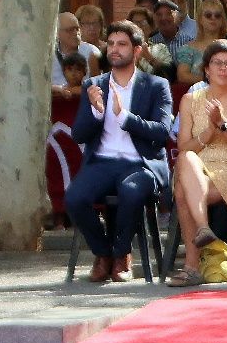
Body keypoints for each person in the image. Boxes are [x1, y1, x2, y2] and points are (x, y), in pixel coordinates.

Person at [66, 22, 175, 283]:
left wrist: (124, 116)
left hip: (141, 163)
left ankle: (123, 253)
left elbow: (161, 132)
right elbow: (78, 135)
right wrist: (97, 111)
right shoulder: (94, 84)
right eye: (111, 43)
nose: (114, 49)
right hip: (102, 161)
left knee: (132, 190)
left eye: (122, 44)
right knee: (74, 198)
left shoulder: (156, 85)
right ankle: (103, 253)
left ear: (137, 50)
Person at [167, 41, 227, 286]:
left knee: (182, 191)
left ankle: (192, 265)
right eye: (217, 63)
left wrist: (222, 125)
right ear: (206, 69)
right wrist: (208, 133)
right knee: (187, 159)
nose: (224, 68)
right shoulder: (190, 100)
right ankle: (203, 228)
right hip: (197, 168)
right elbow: (184, 147)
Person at [50, 12, 101, 85]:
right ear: (57, 33)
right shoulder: (49, 56)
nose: (75, 33)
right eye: (69, 30)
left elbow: (99, 86)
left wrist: (66, 91)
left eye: (77, 29)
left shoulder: (92, 53)